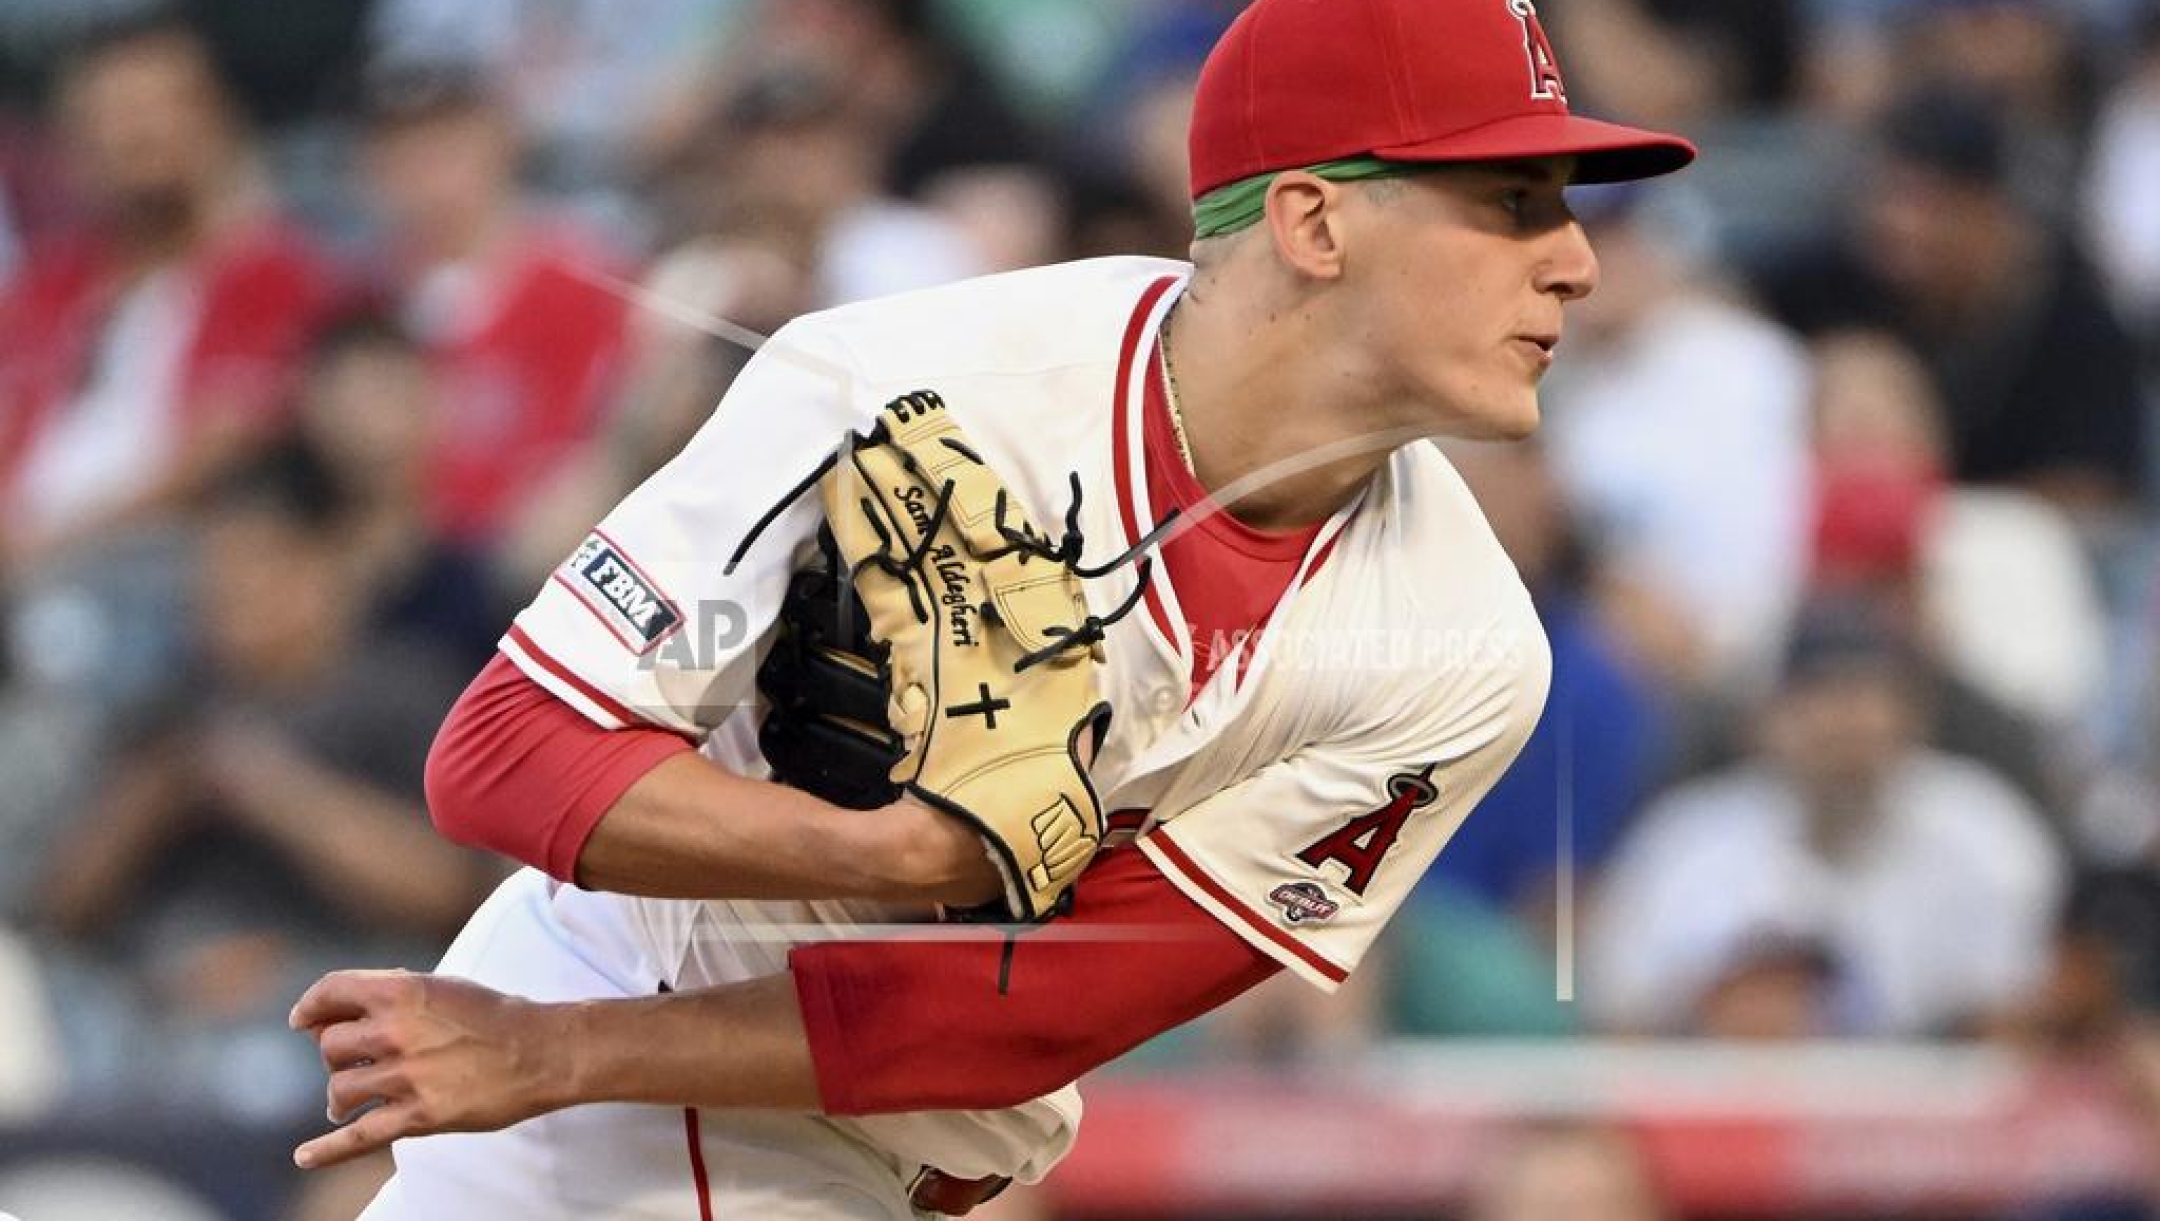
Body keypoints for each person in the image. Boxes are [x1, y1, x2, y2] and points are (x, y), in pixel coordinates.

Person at [291, 1, 1695, 1217]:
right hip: (636, 1032)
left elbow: (1029, 1016)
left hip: (774, 1101)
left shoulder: (1462, 648)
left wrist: (563, 1053)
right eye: (1514, 202)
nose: (1576, 256)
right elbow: (502, 756)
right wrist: (887, 857)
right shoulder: (926, 384)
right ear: (1315, 220)